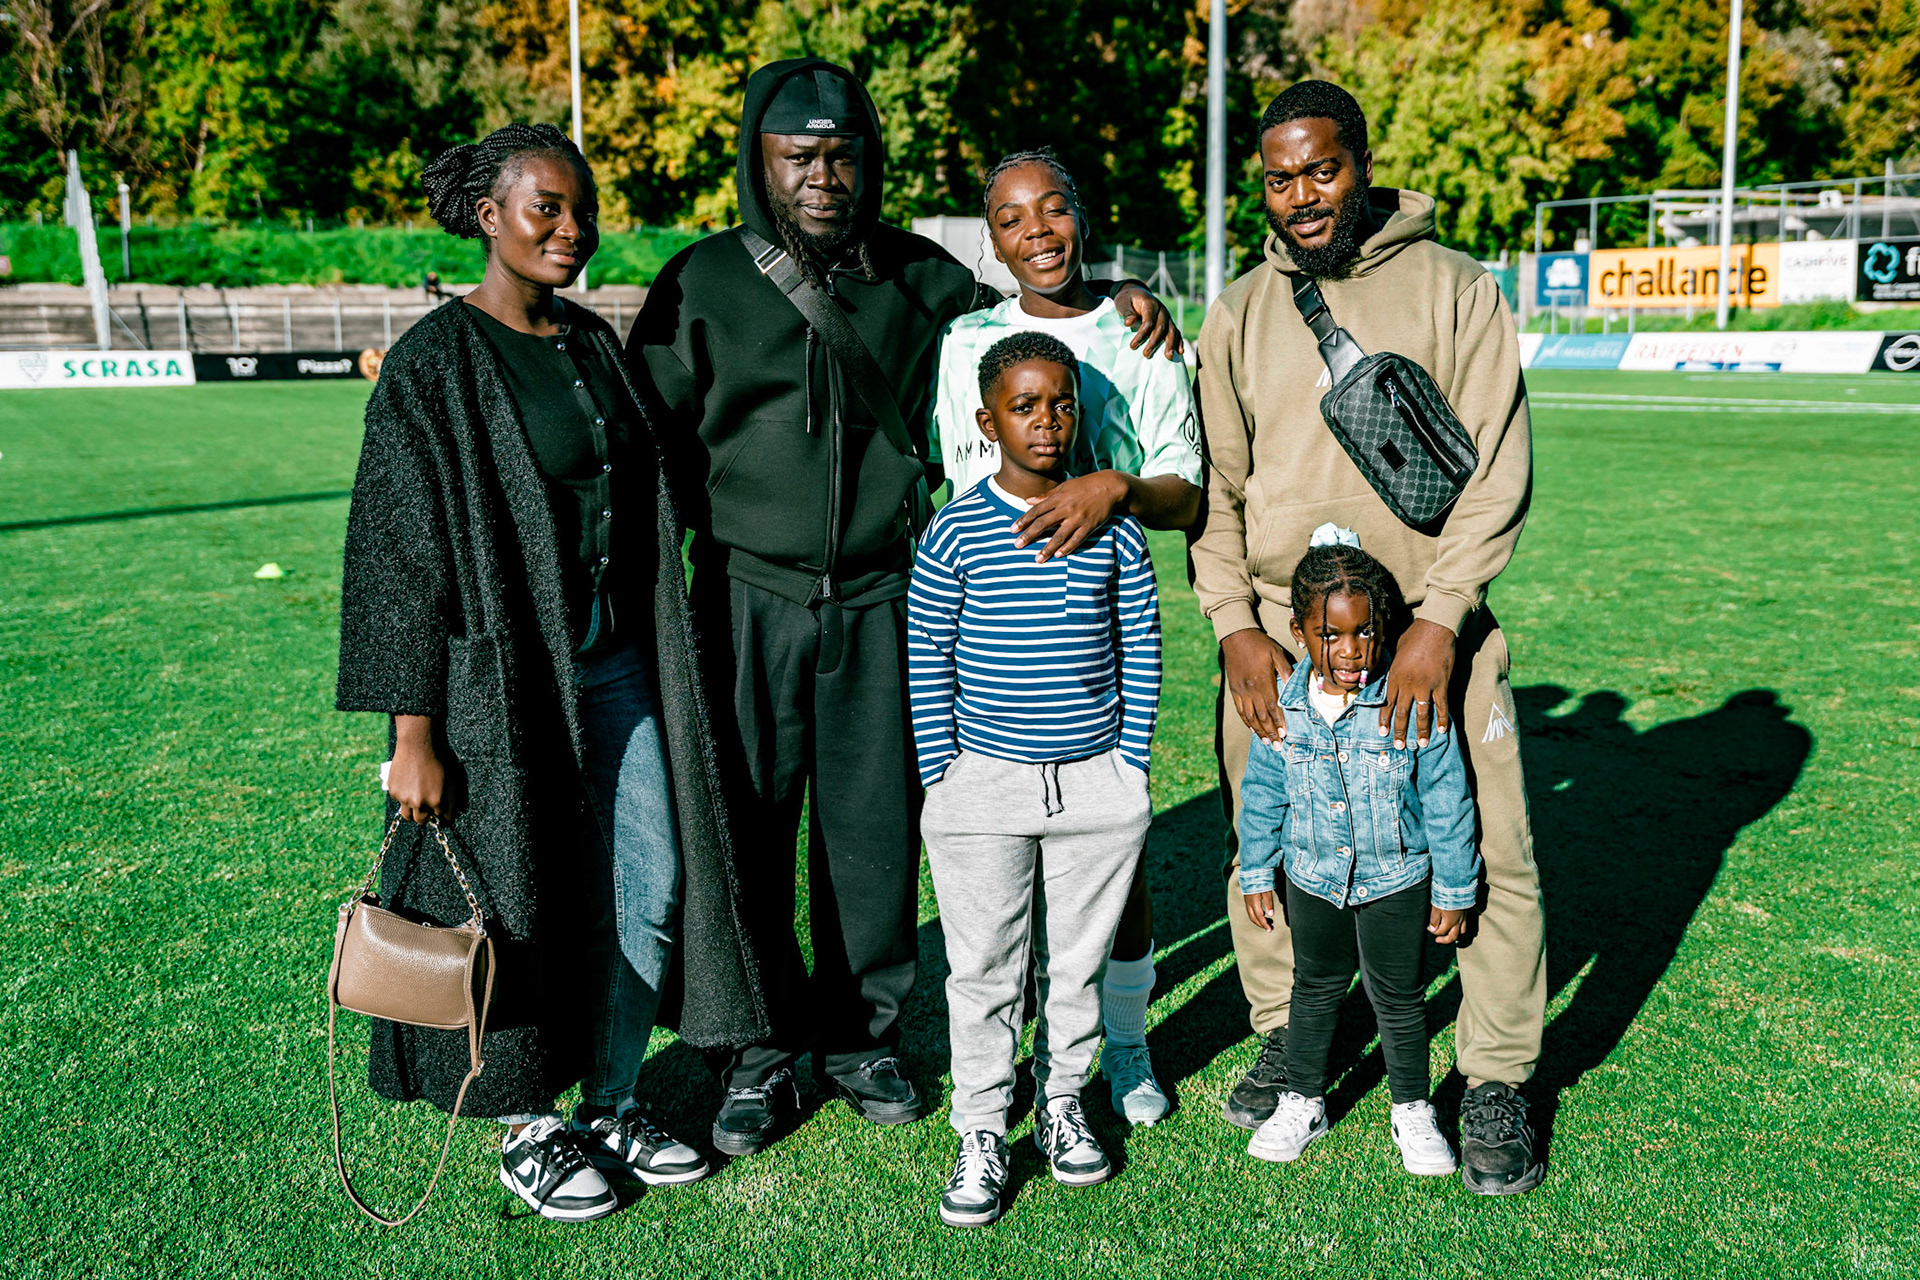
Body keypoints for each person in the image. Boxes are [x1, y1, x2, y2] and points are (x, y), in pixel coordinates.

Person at [627, 58, 1183, 1158]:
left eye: (844, 156)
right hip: (745, 597)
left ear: (869, 163)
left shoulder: (924, 282)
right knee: (740, 831)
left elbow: (1034, 321)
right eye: (801, 157)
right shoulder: (698, 284)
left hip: (887, 596)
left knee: (871, 831)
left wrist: (1124, 296)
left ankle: (861, 1037)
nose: (824, 177)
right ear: (761, 162)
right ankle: (756, 1053)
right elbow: (650, 443)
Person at [337, 123, 766, 1222]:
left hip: (617, 662)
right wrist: (412, 733)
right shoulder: (433, 366)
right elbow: (395, 564)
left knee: (650, 877)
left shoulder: (590, 340)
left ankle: (613, 1097)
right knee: (514, 900)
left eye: (582, 209)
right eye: (547, 209)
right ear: (489, 217)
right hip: (499, 685)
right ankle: (529, 1122)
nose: (572, 230)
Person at [1189, 79, 1548, 1195]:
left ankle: (1492, 1075)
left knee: (1489, 848)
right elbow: (1218, 488)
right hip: (1287, 649)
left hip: (1431, 640)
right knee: (1281, 849)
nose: (1304, 196)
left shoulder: (1454, 286)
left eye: (1324, 169)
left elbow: (1497, 466)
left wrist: (1439, 617)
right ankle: (1290, 1034)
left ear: (1364, 160)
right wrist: (1235, 624)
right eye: (1282, 178)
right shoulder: (1241, 308)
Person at [928, 148, 1202, 1126]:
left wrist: (1115, 485)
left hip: (1094, 643)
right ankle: (1000, 1082)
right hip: (991, 648)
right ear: (991, 239)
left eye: (1053, 208)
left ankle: (1118, 1049)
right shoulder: (966, 341)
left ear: (1082, 213)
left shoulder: (1146, 336)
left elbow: (1189, 488)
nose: (1036, 231)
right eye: (1011, 218)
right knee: (1000, 875)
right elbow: (955, 486)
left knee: (1112, 869)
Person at [909, 332, 1161, 1227]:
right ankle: (981, 1126)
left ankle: (1061, 1104)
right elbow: (928, 654)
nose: (1047, 422)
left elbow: (1141, 644)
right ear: (988, 422)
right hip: (981, 786)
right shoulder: (955, 529)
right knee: (982, 969)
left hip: (1094, 785)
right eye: (1024, 406)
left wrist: (1127, 771)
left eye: (1061, 403)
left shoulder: (1113, 528)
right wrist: (944, 774)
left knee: (1078, 966)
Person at [1236, 527, 1475, 1175]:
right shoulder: (1284, 706)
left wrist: (1455, 889)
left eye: (1365, 633)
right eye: (1330, 634)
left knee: (1397, 996)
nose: (1349, 651)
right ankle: (1302, 1100)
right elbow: (1262, 791)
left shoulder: (1408, 699)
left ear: (1385, 627)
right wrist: (1256, 869)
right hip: (1311, 878)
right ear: (1299, 630)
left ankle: (1412, 1110)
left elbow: (1448, 795)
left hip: (1397, 878)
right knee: (1313, 989)